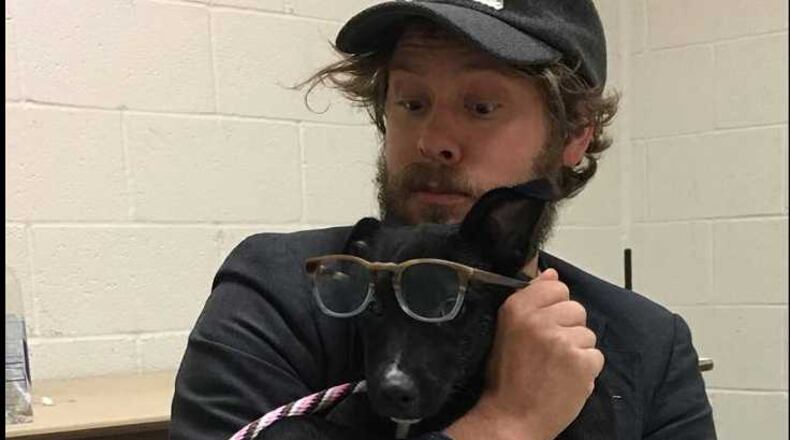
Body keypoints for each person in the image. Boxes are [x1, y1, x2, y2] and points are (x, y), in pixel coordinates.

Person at [170, 1, 717, 439]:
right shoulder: (284, 291)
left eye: (481, 107)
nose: (433, 142)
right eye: (411, 103)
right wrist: (508, 424)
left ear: (575, 133)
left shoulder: (647, 342)